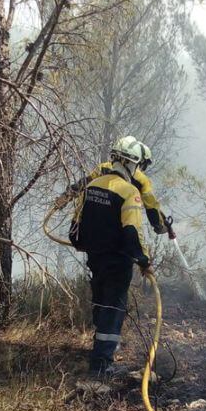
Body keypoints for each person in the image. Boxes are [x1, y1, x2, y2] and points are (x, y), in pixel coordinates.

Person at [67, 136, 155, 376]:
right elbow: (131, 232)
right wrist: (143, 260)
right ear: (132, 163)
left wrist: (90, 245)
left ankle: (101, 351)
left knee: (100, 302)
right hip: (118, 261)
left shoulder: (91, 186)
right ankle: (101, 366)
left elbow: (75, 229)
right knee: (113, 309)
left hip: (95, 259)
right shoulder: (129, 192)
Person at [59, 136, 171, 236]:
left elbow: (83, 183)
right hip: (118, 226)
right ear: (139, 161)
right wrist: (160, 226)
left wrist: (66, 196)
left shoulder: (104, 168)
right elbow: (151, 207)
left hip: (94, 220)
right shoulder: (142, 181)